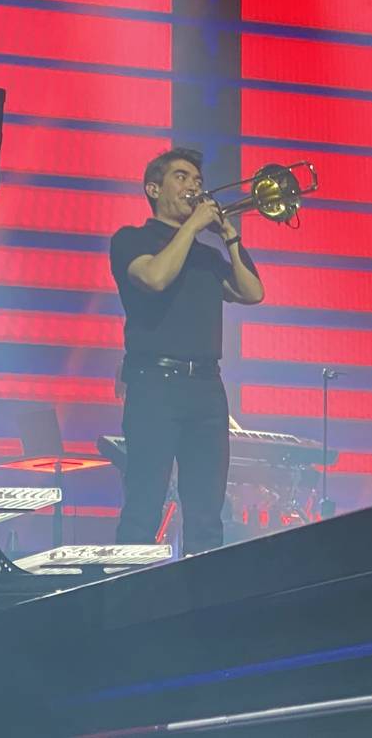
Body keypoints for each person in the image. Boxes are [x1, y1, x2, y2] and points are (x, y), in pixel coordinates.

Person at [110, 147, 264, 553]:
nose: (194, 186)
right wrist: (193, 227)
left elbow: (253, 293)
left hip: (207, 390)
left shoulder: (207, 255)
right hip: (154, 387)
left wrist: (229, 234)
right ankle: (130, 607)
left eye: (197, 180)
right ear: (153, 188)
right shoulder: (131, 239)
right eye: (182, 177)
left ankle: (204, 608)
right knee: (144, 505)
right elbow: (156, 278)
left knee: (206, 515)